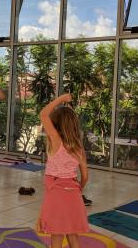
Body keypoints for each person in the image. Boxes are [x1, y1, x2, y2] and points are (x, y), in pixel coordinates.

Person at [36, 93, 89, 248]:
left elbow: (43, 114)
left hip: (55, 194)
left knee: (57, 236)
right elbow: (85, 176)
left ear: (56, 124)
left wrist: (61, 99)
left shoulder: (56, 140)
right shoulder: (79, 147)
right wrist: (78, 189)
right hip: (73, 193)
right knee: (73, 236)